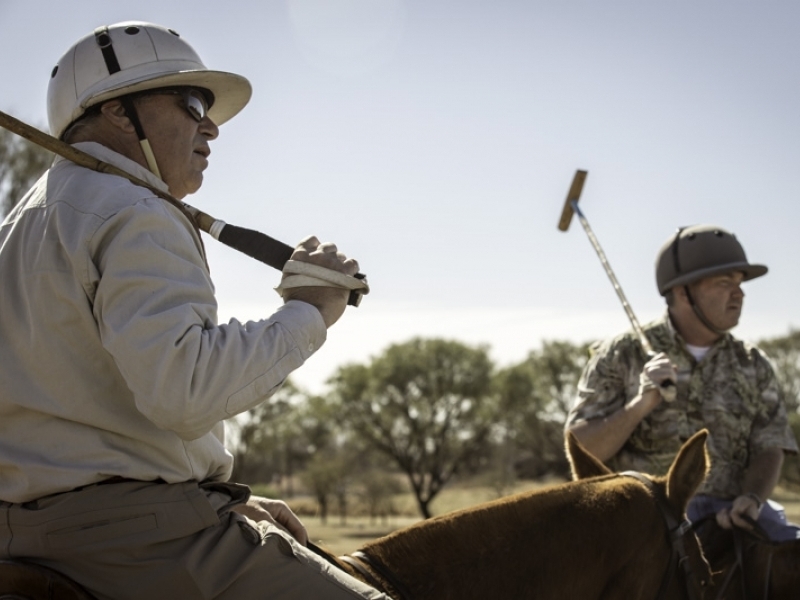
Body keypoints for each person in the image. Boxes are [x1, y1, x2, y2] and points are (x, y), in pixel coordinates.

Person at [0, 21, 386, 600]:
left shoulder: (19, 224)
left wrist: (221, 499)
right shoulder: (137, 211)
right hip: (141, 543)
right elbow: (184, 393)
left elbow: (79, 429)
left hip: (25, 532)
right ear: (118, 113)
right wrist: (309, 311)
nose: (210, 126)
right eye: (190, 102)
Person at [565, 224, 799, 542]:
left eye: (740, 282)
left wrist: (753, 498)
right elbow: (583, 447)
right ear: (682, 292)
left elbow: (770, 448)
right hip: (641, 520)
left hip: (731, 517)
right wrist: (639, 405)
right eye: (724, 282)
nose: (739, 293)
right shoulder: (623, 353)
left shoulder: (753, 363)